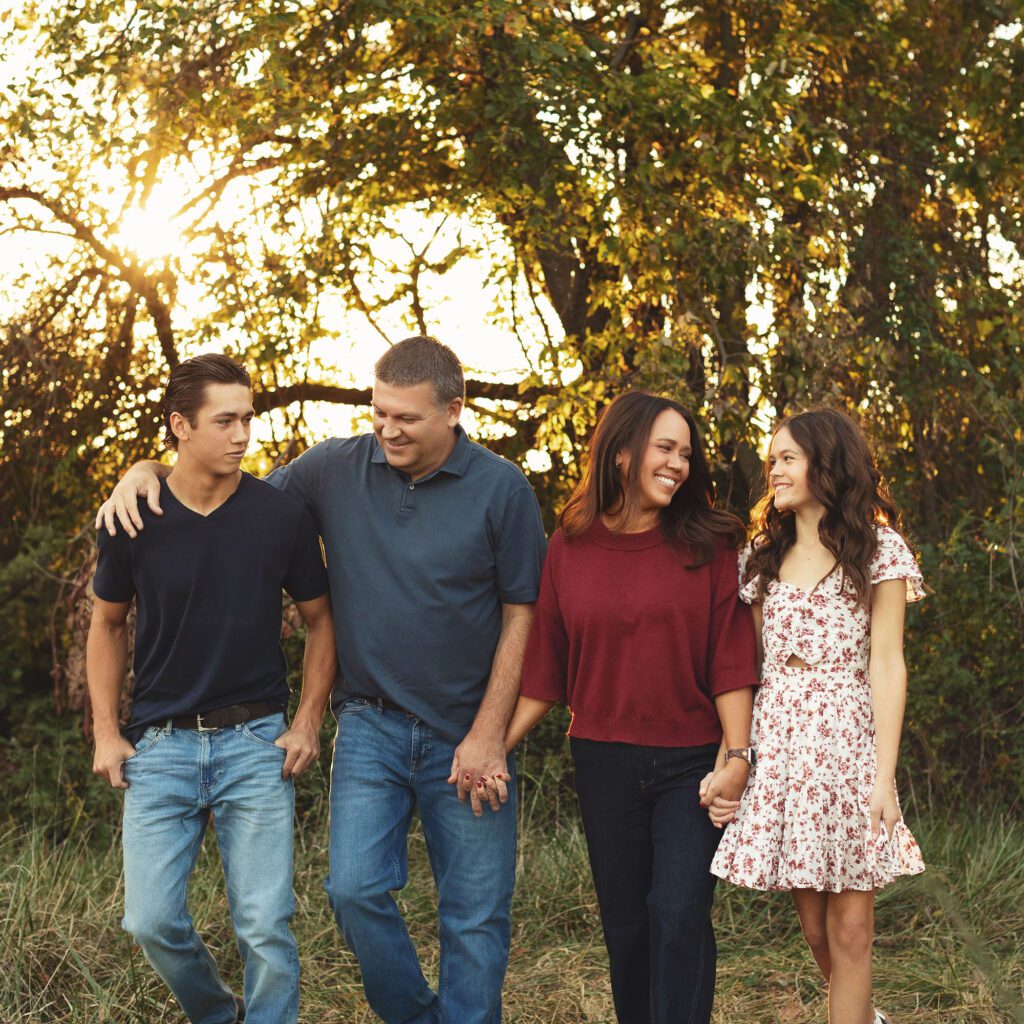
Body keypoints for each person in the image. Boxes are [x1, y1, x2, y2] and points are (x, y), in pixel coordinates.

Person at [97, 336, 547, 1024]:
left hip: (468, 729)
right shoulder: (333, 469)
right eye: (379, 412)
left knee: (475, 915)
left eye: (407, 418)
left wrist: (490, 735)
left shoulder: (502, 488)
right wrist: (145, 466)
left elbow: (525, 614)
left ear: (454, 411)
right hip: (371, 722)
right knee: (353, 891)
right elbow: (221, 489)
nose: (387, 430)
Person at [88, 353, 336, 1024]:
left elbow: (322, 622)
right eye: (224, 421)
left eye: (246, 419)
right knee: (149, 921)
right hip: (160, 745)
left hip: (256, 742)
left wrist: (308, 721)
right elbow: (106, 624)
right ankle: (220, 1014)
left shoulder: (279, 516)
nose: (241, 435)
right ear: (179, 426)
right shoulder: (132, 517)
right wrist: (107, 734)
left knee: (265, 926)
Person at [504, 391, 757, 1024]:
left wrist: (737, 756)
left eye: (685, 453)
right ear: (622, 454)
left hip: (692, 762)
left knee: (677, 912)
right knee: (627, 927)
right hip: (602, 762)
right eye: (664, 448)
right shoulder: (570, 545)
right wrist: (492, 746)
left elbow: (730, 658)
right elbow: (545, 667)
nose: (678, 463)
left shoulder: (709, 543)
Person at [707, 408, 926, 1024]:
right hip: (782, 748)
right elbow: (744, 670)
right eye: (772, 458)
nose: (772, 470)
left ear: (826, 464)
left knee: (852, 928)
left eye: (786, 458)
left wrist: (884, 779)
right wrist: (733, 759)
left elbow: (887, 663)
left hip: (850, 746)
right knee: (816, 930)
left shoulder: (879, 549)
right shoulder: (761, 556)